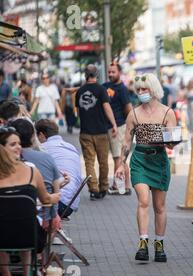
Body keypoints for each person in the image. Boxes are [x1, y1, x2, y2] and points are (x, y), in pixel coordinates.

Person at [115, 73, 177, 263]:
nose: (141, 92)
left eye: (145, 89)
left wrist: (171, 142)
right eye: (139, 89)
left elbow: (171, 143)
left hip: (159, 161)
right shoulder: (133, 114)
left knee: (159, 206)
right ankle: (143, 242)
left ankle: (159, 244)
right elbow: (126, 142)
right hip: (140, 160)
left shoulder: (167, 113)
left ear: (154, 89)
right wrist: (121, 164)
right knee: (143, 201)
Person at [0, 127, 60, 276]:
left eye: (19, 143)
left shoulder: (32, 171)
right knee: (26, 229)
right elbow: (46, 199)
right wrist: (57, 196)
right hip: (29, 237)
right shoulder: (32, 172)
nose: (19, 147)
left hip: (4, 236)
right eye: (13, 144)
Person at [10, 119, 67, 230]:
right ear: (33, 137)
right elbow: (53, 195)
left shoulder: (7, 165)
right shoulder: (43, 160)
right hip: (39, 223)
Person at [75, 64, 118, 201]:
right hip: (101, 132)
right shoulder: (101, 90)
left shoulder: (80, 91)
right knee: (103, 162)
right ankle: (103, 187)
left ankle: (93, 189)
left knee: (89, 162)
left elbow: (77, 112)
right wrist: (114, 124)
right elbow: (107, 108)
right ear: (97, 75)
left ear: (85, 75)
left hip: (85, 132)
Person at [35, 119, 82, 221]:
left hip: (58, 203)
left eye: (36, 136)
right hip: (71, 203)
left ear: (42, 135)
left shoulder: (42, 149)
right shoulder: (71, 147)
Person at [103, 63, 133, 195]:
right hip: (110, 127)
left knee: (119, 158)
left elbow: (128, 108)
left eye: (113, 72)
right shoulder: (106, 86)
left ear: (119, 72)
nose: (110, 74)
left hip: (119, 126)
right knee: (117, 157)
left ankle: (120, 186)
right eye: (109, 72)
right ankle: (122, 186)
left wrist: (130, 126)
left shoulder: (122, 89)